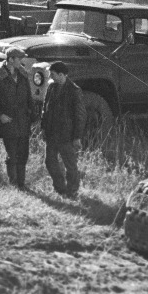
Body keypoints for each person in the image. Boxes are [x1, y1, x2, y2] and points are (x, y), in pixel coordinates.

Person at [0, 46, 36, 189]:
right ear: (11, 59)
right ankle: (14, 184)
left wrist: (34, 117)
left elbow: (29, 98)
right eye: (19, 59)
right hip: (8, 122)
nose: (21, 62)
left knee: (23, 155)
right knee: (12, 155)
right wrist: (0, 116)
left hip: (23, 121)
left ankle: (21, 184)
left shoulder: (23, 74)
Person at [41, 61, 86, 199]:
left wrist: (77, 137)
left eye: (53, 74)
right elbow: (45, 108)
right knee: (50, 162)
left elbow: (80, 115)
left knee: (70, 165)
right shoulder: (51, 87)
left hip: (66, 135)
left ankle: (72, 190)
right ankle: (60, 188)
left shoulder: (74, 90)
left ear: (61, 75)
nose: (50, 77)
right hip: (51, 133)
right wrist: (43, 127)